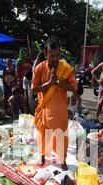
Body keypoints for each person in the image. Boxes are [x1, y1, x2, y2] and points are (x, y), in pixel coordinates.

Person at [32, 36, 77, 170]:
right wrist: (48, 84)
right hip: (45, 108)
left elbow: (74, 88)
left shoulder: (66, 68)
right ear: (46, 54)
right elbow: (34, 89)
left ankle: (62, 160)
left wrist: (58, 83)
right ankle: (42, 155)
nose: (55, 59)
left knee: (61, 135)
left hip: (60, 110)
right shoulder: (39, 68)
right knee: (43, 133)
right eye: (51, 56)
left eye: (57, 55)